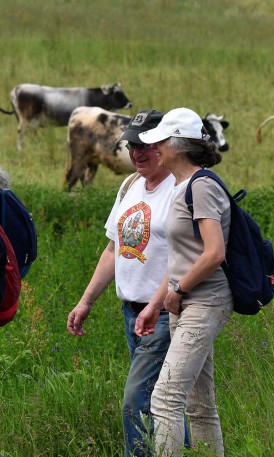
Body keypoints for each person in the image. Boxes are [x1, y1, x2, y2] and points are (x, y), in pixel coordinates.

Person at [67, 110, 183, 457]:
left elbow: (185, 258)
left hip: (162, 314)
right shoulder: (130, 184)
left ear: (165, 144)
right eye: (131, 144)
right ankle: (187, 450)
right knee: (164, 399)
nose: (136, 153)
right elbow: (114, 247)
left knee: (137, 400)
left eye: (145, 144)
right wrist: (86, 301)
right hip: (131, 313)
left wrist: (153, 306)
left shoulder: (180, 188)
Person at [133, 108, 233, 457]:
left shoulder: (202, 186)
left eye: (160, 141)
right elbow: (181, 258)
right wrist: (159, 302)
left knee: (165, 398)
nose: (154, 148)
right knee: (198, 403)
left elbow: (214, 253)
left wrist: (178, 290)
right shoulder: (183, 185)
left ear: (178, 144)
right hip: (185, 303)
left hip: (204, 303)